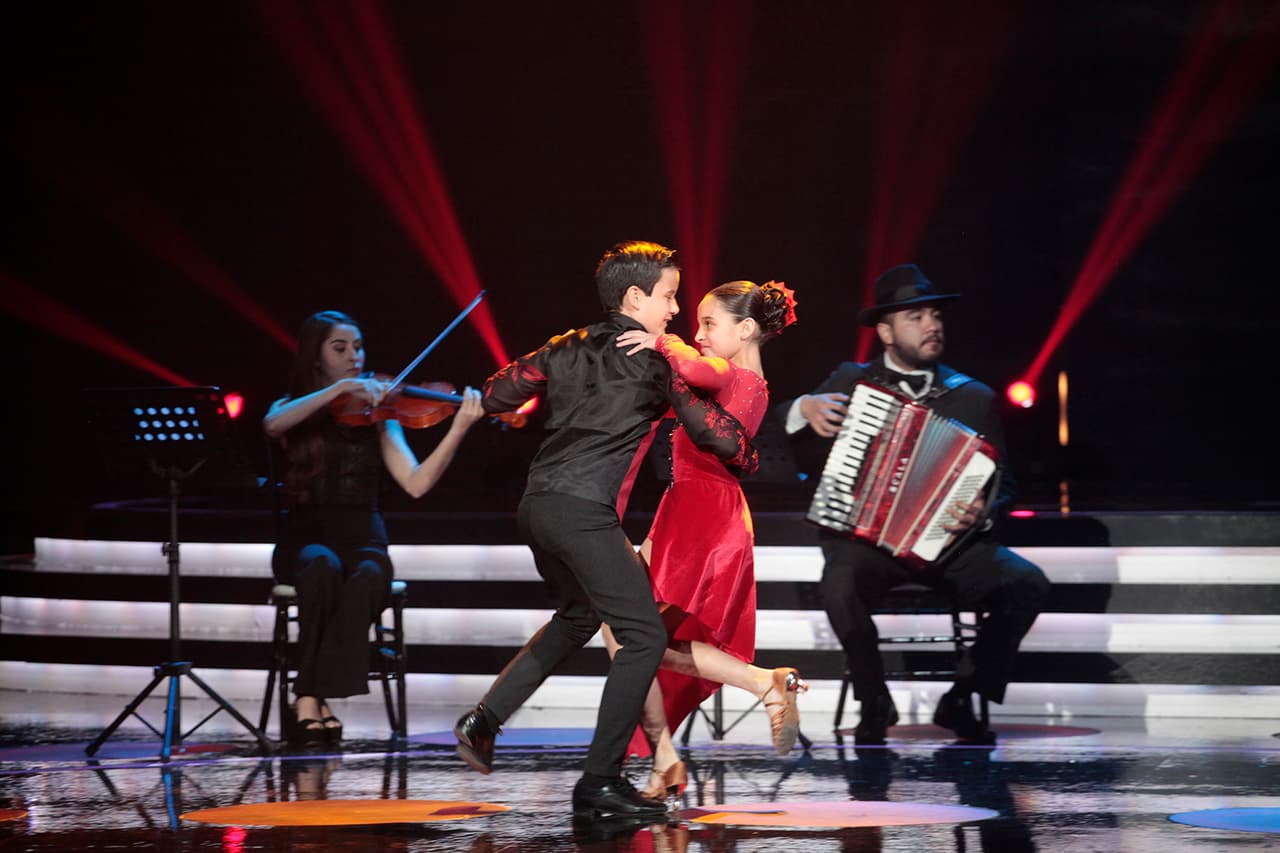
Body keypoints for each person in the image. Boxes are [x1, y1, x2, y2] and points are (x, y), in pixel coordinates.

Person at [451, 241, 759, 820]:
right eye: (669, 297)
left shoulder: (563, 345)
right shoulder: (654, 363)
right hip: (583, 514)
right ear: (635, 297)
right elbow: (718, 437)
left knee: (577, 618)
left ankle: (483, 720)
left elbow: (496, 395)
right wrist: (747, 450)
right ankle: (599, 782)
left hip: (537, 507)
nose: (675, 311)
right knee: (643, 638)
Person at [782, 263, 1050, 745]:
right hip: (870, 546)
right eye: (916, 317)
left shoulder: (972, 397)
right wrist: (803, 407)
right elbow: (778, 432)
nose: (932, 325)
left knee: (1026, 582)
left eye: (935, 315)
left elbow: (1005, 482)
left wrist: (983, 512)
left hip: (948, 546)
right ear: (885, 331)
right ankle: (874, 700)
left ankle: (964, 695)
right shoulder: (851, 381)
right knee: (839, 581)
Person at [605, 279, 807, 801]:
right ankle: (668, 757)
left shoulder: (731, 373)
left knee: (633, 632)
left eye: (709, 324)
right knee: (626, 629)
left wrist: (662, 340)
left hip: (703, 516)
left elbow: (694, 370)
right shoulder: (736, 380)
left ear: (746, 329)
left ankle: (758, 686)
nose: (697, 334)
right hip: (686, 510)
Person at [263, 310, 484, 743]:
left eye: (358, 347)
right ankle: (313, 696)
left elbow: (415, 483)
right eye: (340, 348)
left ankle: (308, 695)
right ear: (316, 356)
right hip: (305, 537)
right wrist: (339, 389)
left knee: (367, 575)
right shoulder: (293, 407)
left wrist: (457, 429)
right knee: (322, 566)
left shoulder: (380, 411)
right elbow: (272, 424)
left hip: (365, 537)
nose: (354, 357)